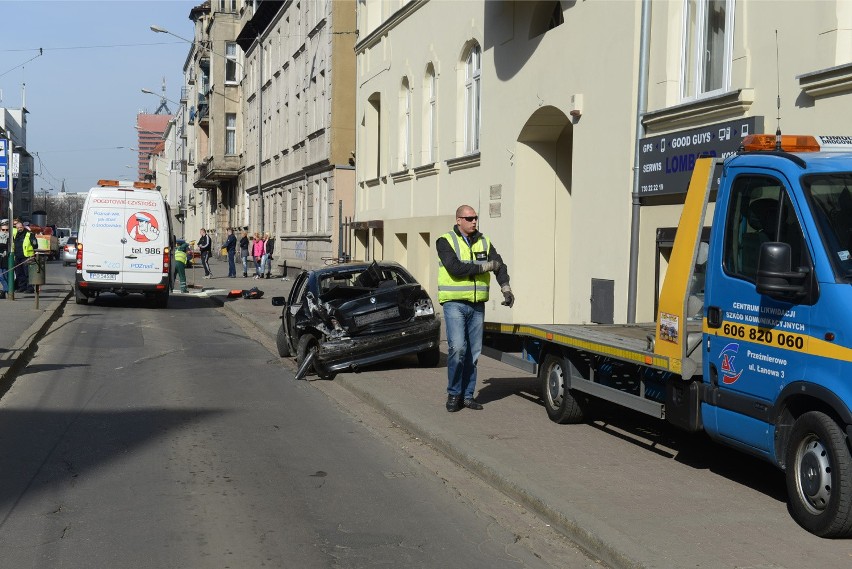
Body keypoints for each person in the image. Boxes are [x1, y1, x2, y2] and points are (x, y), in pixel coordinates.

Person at [436, 205, 514, 412]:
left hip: (477, 304)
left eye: (475, 218)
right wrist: (486, 267)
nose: (474, 222)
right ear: (458, 219)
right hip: (454, 303)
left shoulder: (484, 241)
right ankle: (454, 394)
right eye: (469, 218)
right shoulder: (445, 241)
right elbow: (455, 268)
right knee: (458, 349)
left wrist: (506, 289)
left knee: (473, 353)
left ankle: (467, 396)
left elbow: (500, 265)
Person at [12, 218, 38, 294]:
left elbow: (35, 245)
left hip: (27, 256)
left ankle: (30, 288)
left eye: (21, 227)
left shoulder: (29, 234)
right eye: (18, 228)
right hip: (17, 256)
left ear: (23, 227)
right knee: (19, 273)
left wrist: (34, 242)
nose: (19, 229)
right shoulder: (15, 234)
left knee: (27, 273)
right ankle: (22, 287)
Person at [0, 220, 9, 299]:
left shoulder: (10, 237)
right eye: (3, 230)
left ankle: (6, 291)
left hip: (6, 259)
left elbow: (9, 247)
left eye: (7, 230)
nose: (5, 231)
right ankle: (7, 290)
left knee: (5, 275)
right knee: (1, 276)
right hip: (0, 258)